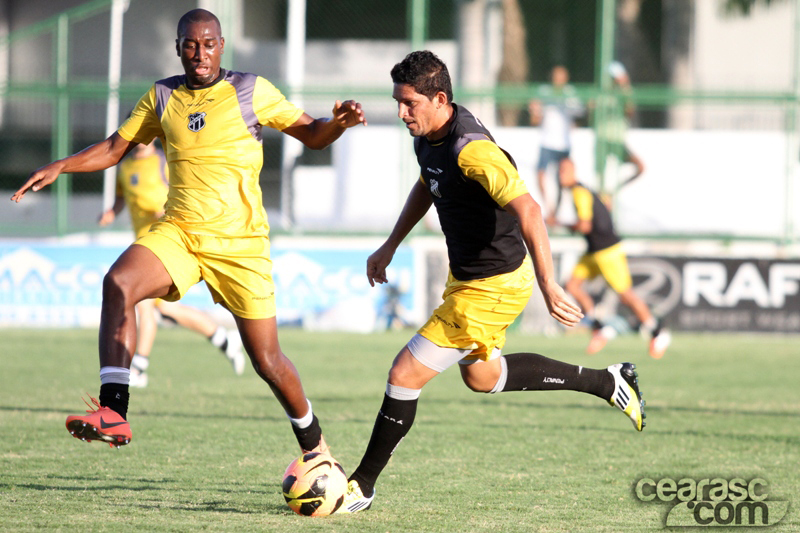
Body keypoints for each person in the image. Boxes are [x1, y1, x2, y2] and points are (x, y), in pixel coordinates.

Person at [11, 9, 366, 452]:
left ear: (222, 45)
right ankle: (114, 411)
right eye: (191, 45)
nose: (200, 54)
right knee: (118, 283)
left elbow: (312, 134)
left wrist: (338, 123)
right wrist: (61, 165)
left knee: (268, 361)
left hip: (241, 245)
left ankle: (315, 445)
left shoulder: (251, 90)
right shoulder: (161, 96)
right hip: (179, 231)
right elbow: (114, 148)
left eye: (209, 44)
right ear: (178, 47)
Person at [338, 51, 646, 514]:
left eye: (409, 104)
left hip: (494, 284)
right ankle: (608, 382)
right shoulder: (429, 134)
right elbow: (429, 183)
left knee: (403, 374)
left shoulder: (472, 149)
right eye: (398, 102)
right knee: (483, 378)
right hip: (468, 278)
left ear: (439, 99)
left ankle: (362, 485)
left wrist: (549, 285)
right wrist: (390, 245)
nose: (402, 113)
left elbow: (530, 210)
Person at [98, 139, 246, 387]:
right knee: (161, 309)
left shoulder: (163, 162)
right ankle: (223, 338)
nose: (141, 140)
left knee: (145, 307)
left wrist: (167, 211)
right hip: (143, 245)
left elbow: (185, 190)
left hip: (166, 242)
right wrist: (112, 211)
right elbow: (122, 197)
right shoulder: (124, 169)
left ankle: (139, 369)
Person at [556, 158, 670, 358]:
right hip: (593, 250)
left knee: (625, 295)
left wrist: (558, 222)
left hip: (607, 250)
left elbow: (585, 226)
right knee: (572, 285)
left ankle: (657, 332)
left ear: (574, 171)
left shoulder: (579, 192)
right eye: (559, 171)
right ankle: (597, 327)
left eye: (564, 171)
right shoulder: (583, 190)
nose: (560, 175)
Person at [528, 65, 583, 225]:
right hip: (547, 141)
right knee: (540, 175)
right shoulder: (544, 92)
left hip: (563, 143)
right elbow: (535, 117)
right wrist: (535, 111)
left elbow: (579, 114)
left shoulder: (570, 93)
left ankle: (557, 214)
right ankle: (549, 210)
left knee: (562, 180)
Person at [594, 61, 644, 193]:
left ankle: (614, 192)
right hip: (603, 138)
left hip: (617, 139)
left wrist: (626, 91)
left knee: (640, 167)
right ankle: (603, 198)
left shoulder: (624, 93)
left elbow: (630, 112)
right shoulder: (602, 93)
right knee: (600, 177)